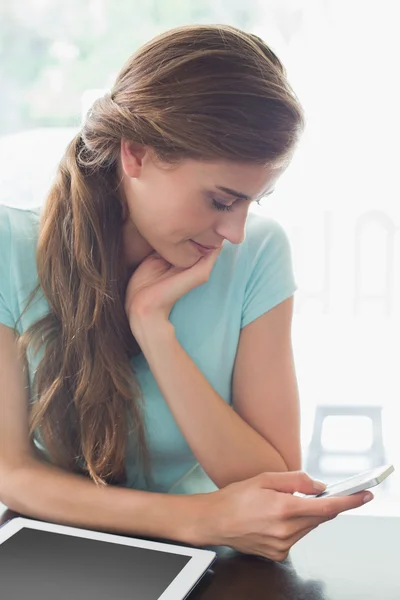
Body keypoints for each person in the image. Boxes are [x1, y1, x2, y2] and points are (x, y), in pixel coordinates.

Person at [0, 24, 373, 562]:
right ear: (136, 155)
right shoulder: (12, 250)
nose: (235, 231)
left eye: (254, 201)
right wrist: (199, 519)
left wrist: (155, 329)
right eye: (222, 201)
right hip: (53, 557)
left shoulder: (257, 254)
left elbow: (274, 483)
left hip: (212, 567)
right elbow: (11, 473)